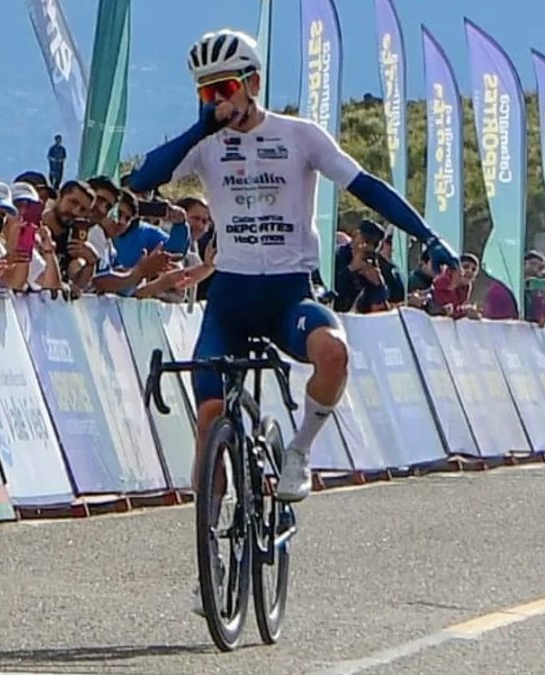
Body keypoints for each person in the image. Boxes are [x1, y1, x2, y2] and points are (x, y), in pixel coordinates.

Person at [127, 28, 459, 507]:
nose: (217, 102)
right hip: (231, 302)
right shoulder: (202, 143)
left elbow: (367, 186)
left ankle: (299, 451)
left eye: (225, 89)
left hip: (288, 296)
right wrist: (202, 127)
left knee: (334, 353)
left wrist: (427, 235)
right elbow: (141, 181)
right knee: (209, 418)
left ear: (254, 82)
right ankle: (211, 559)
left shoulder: (299, 136)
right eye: (206, 92)